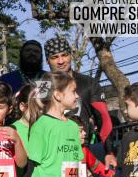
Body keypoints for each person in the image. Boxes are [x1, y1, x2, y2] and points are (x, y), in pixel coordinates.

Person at [44, 37, 115, 165]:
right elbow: (31, 119)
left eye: (64, 55)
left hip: (82, 152)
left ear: (70, 55)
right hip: (49, 154)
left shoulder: (88, 83)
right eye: (54, 57)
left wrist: (109, 152)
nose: (61, 61)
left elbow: (103, 117)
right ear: (47, 60)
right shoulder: (42, 86)